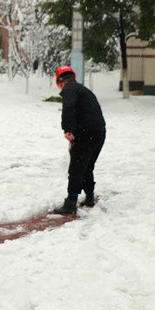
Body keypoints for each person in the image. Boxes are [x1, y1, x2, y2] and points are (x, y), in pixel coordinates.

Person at [52, 66, 106, 215]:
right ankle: (89, 197)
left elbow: (68, 108)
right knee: (87, 165)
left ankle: (70, 203)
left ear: (59, 81)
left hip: (86, 133)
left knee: (76, 167)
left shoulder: (69, 89)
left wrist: (67, 129)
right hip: (99, 132)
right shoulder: (83, 90)